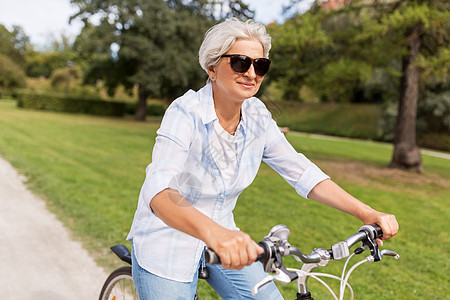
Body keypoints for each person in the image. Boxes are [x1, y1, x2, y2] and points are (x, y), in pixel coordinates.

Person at [127, 17, 399, 299]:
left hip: (228, 240)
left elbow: (300, 171)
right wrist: (216, 235)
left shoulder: (257, 115)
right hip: (167, 242)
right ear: (211, 68)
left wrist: (367, 212)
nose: (251, 73)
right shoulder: (185, 112)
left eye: (261, 65)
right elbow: (159, 193)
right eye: (240, 62)